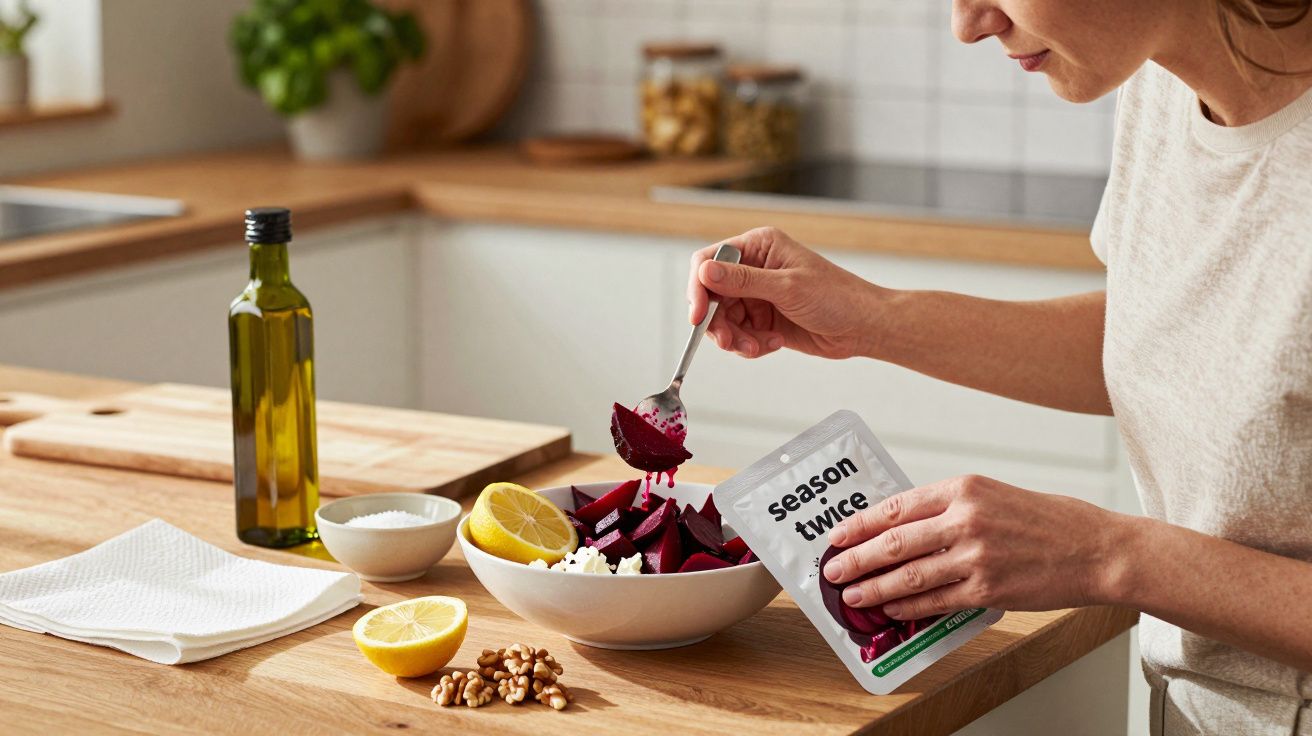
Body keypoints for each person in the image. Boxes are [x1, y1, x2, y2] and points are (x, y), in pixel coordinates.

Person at [686, 1, 1312, 734]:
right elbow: (1205, 349)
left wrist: (1108, 556)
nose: (970, 23)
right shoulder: (1163, 84)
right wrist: (870, 317)